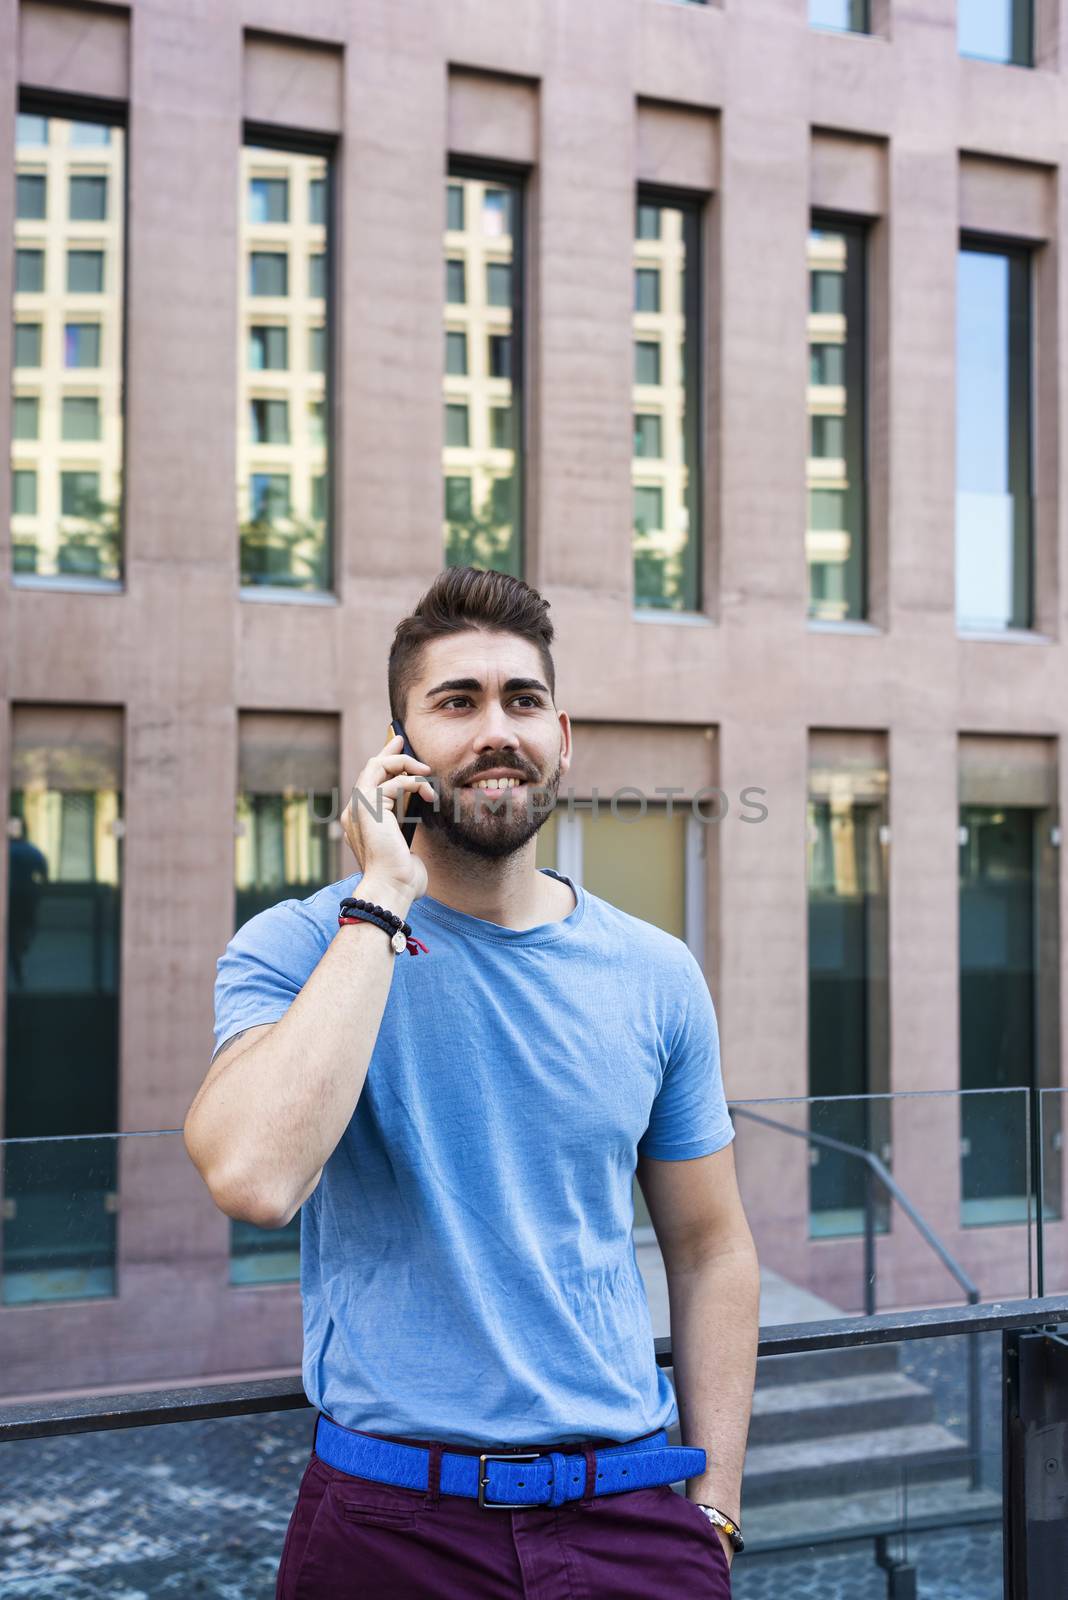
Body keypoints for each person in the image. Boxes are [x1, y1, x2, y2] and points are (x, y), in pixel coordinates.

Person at [184, 566, 760, 1598]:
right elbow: (254, 1177)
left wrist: (714, 1504)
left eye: (522, 700)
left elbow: (713, 1246)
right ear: (397, 751)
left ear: (563, 738)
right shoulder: (301, 944)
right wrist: (382, 897)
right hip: (388, 1525)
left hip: (628, 1512)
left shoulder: (657, 972)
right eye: (457, 702)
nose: (498, 729)